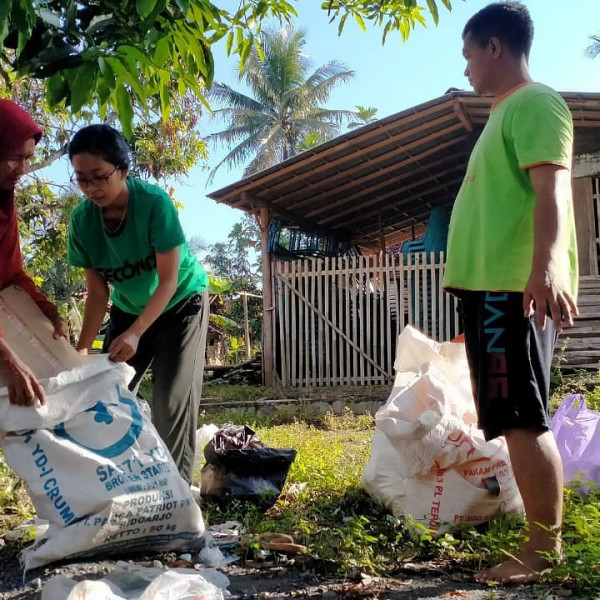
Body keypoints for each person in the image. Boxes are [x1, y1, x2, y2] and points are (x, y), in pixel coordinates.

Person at [443, 2, 578, 585]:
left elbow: (552, 191)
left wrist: (545, 267)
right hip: (489, 290)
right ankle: (539, 544)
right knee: (509, 412)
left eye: (470, 54)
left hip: (510, 288)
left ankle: (544, 552)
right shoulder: (503, 113)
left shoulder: (536, 102)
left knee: (523, 416)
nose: (467, 67)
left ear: (494, 47)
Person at [67, 124, 210, 484]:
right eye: (82, 180)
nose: (92, 188)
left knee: (169, 403)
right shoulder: (82, 222)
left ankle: (175, 498)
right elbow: (98, 294)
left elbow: (168, 281)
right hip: (129, 309)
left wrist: (135, 333)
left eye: (100, 177)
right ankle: (116, 485)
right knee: (105, 398)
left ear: (124, 170)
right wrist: (81, 351)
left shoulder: (154, 204)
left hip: (180, 305)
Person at [0, 99, 68, 407]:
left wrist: (49, 312)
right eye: (16, 158)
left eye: (28, 159)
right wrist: (6, 359)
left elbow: (10, 273)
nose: (23, 170)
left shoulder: (4, 200)